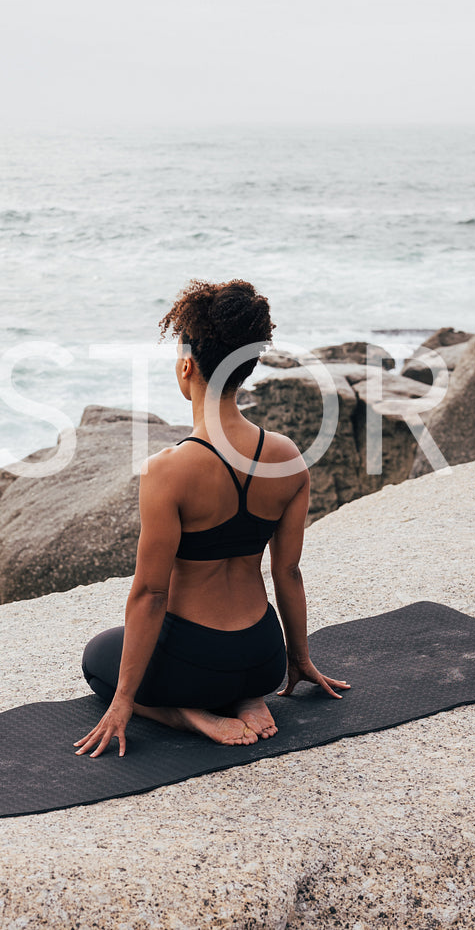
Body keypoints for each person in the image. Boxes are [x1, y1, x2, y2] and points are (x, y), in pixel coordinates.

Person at [74, 278, 349, 758]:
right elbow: (288, 571)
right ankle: (247, 698)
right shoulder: (287, 457)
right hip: (263, 657)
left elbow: (150, 594)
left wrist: (124, 700)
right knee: (233, 663)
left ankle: (188, 714)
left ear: (187, 367)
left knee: (99, 656)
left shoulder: (168, 471)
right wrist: (298, 660)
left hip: (194, 663)